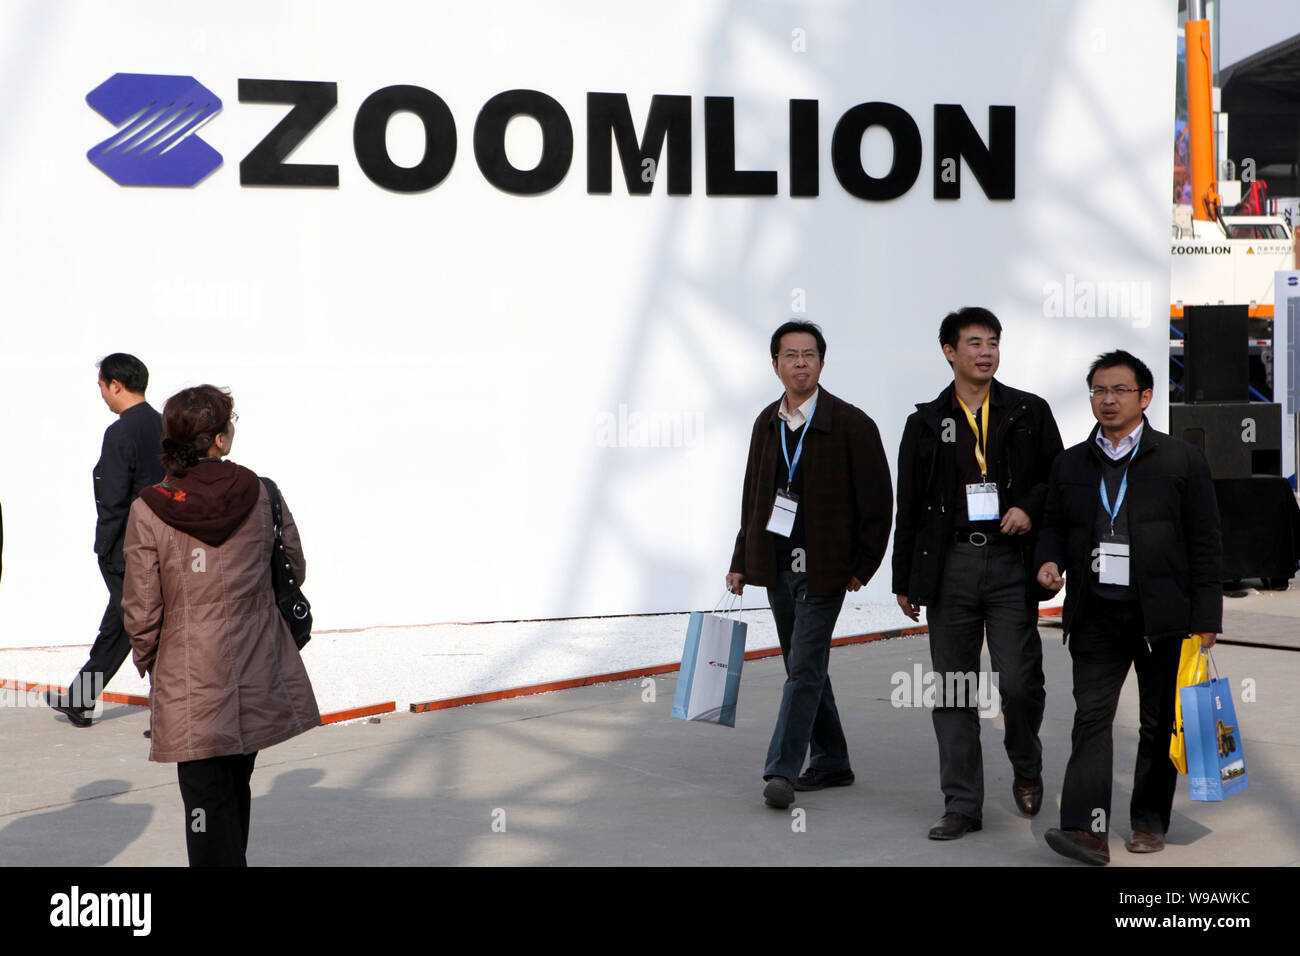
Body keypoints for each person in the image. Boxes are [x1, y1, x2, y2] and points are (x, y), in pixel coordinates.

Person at [122, 385, 320, 866]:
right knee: (234, 788)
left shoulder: (150, 507)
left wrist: (151, 659)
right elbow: (294, 564)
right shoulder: (262, 492)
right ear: (219, 440)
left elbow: (142, 609)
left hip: (188, 675)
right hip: (256, 667)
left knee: (204, 807)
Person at [1036, 350, 1221, 865]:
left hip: (1163, 617)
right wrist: (1048, 561)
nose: (1108, 399)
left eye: (1119, 390)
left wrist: (1207, 618)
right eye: (1099, 390)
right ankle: (1084, 828)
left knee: (1157, 723)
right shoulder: (1071, 462)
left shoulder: (1180, 460)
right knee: (1091, 719)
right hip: (1095, 612)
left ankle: (1147, 822)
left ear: (1145, 397)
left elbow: (1206, 540)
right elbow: (1053, 523)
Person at [892, 307, 1064, 839]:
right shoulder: (925, 423)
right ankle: (962, 804)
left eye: (993, 342)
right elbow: (911, 504)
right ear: (949, 352)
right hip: (951, 565)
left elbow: (1056, 479)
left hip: (1011, 560)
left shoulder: (1028, 411)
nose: (986, 352)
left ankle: (1026, 764)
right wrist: (906, 579)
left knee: (1017, 680)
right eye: (974, 343)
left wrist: (1030, 509)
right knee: (954, 688)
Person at [727, 320, 893, 809]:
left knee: (802, 668)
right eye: (790, 355)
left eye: (809, 355)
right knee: (806, 665)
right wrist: (741, 559)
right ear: (775, 364)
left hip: (825, 569)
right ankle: (834, 760)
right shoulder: (767, 423)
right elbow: (753, 499)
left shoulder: (852, 424)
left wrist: (862, 565)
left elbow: (879, 503)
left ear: (822, 362)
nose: (800, 363)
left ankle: (781, 769)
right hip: (777, 565)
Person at [47, 354, 164, 727]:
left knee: (137, 623)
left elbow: (113, 497)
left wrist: (104, 547)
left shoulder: (121, 432)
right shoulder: (165, 426)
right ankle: (82, 699)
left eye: (101, 386)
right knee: (130, 622)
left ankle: (168, 714)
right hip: (162, 542)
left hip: (128, 548)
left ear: (116, 384)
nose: (101, 394)